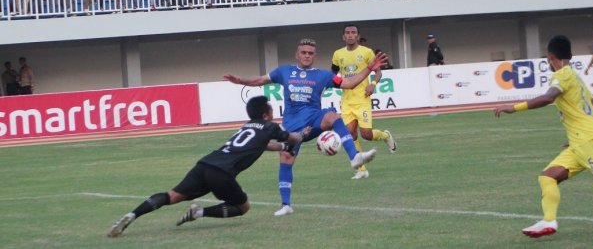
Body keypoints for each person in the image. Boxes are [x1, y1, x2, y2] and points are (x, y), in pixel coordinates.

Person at [494, 35, 593, 238]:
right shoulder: (576, 78)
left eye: (547, 59)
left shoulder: (561, 75)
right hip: (580, 142)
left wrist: (513, 108)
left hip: (587, 139)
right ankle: (548, 221)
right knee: (547, 177)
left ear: (551, 57)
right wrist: (575, 137)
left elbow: (548, 97)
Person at [224, 38, 387, 216]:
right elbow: (260, 80)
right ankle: (286, 205)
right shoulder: (284, 71)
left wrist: (369, 68)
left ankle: (354, 157)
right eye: (304, 52)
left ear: (314, 56)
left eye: (310, 53)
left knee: (333, 117)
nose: (307, 56)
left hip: (315, 119)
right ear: (297, 54)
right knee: (286, 159)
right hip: (292, 127)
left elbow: (350, 83)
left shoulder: (323, 75)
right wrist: (240, 80)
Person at [107, 96, 307, 237]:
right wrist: (303, 134)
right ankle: (199, 213)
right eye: (271, 111)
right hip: (222, 173)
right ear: (265, 114)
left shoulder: (246, 127)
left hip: (205, 164)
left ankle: (133, 215)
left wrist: (282, 146)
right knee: (243, 206)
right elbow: (293, 138)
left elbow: (265, 145)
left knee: (172, 196)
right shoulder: (270, 126)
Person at [331, 24, 397, 180]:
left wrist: (372, 85)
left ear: (358, 36)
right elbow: (333, 73)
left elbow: (378, 72)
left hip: (363, 100)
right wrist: (338, 82)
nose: (350, 35)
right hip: (347, 101)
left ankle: (385, 135)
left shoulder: (367, 52)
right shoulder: (337, 54)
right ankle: (362, 169)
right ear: (343, 36)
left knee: (366, 134)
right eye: (347, 33)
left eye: (353, 33)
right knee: (350, 134)